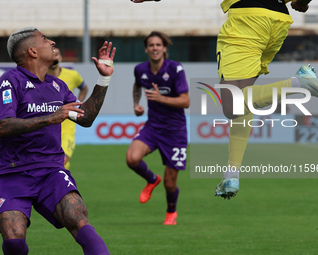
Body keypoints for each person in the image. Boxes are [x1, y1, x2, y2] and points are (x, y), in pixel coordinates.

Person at [0, 27, 115, 255]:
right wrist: (51, 118)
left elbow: (86, 118)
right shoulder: (10, 81)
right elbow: (4, 126)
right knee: (14, 241)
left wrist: (104, 78)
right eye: (45, 39)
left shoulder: (58, 86)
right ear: (32, 51)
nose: (52, 42)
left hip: (50, 171)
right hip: (11, 172)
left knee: (79, 219)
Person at [214, 0, 318, 199]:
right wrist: (303, 2)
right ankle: (231, 174)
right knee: (245, 99)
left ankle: (298, 84)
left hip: (247, 18)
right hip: (278, 21)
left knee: (231, 105)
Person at [126, 31, 190, 225]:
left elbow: (186, 101)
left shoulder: (175, 69)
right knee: (132, 158)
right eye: (151, 45)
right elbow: (137, 86)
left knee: (171, 184)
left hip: (175, 131)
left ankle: (171, 212)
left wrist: (161, 98)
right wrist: (136, 104)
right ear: (146, 49)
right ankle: (152, 179)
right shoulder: (140, 69)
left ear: (164, 48)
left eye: (158, 45)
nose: (155, 48)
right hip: (152, 127)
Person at [47, 48, 89, 170]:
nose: (54, 56)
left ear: (60, 58)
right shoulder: (40, 77)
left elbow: (84, 88)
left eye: (57, 54)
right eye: (51, 53)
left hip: (67, 127)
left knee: (62, 160)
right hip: (48, 127)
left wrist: (78, 106)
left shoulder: (72, 75)